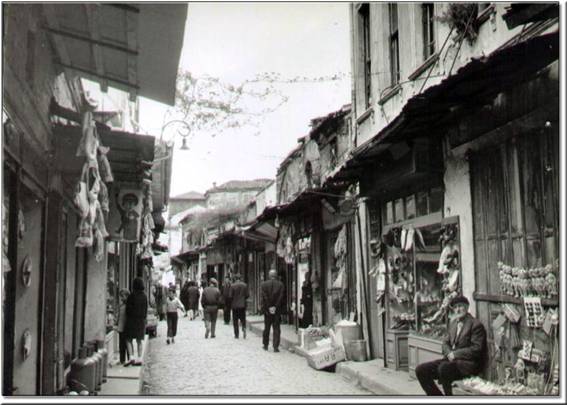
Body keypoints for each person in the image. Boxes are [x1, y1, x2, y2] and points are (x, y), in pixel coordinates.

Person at [415, 295, 487, 396]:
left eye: (460, 306)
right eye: (455, 307)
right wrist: (449, 353)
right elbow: (445, 343)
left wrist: (456, 354)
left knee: (444, 368)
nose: (458, 310)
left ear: (467, 307)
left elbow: (477, 349)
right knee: (421, 370)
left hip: (467, 364)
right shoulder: (453, 323)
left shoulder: (475, 325)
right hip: (451, 361)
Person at [124, 277, 148, 366]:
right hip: (141, 320)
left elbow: (128, 309)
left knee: (128, 339)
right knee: (139, 340)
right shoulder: (144, 296)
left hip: (131, 320)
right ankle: (139, 358)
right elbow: (145, 309)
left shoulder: (131, 296)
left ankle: (131, 357)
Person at [260, 269, 285, 352]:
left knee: (266, 328)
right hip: (277, 310)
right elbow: (281, 297)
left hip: (267, 311)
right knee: (276, 328)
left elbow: (264, 297)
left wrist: (269, 307)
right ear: (276, 275)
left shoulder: (264, 285)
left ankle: (265, 345)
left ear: (269, 275)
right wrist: (275, 307)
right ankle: (275, 346)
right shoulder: (280, 285)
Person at [229, 273, 249, 339]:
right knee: (243, 318)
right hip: (242, 305)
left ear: (235, 278)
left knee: (235, 321)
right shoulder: (244, 285)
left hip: (235, 306)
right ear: (240, 278)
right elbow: (247, 295)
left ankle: (236, 334)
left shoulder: (232, 286)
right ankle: (244, 327)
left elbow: (230, 296)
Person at [115, 288, 131, 365]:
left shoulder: (129, 306)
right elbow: (118, 316)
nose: (121, 298)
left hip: (127, 327)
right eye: (121, 296)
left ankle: (129, 358)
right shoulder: (121, 306)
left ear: (127, 296)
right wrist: (116, 323)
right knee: (121, 345)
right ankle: (122, 360)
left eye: (122, 296)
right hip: (121, 328)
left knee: (128, 344)